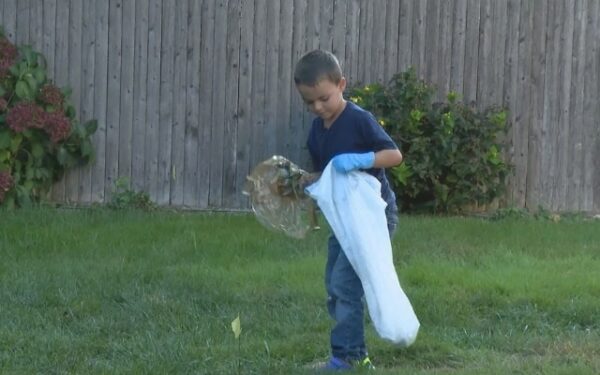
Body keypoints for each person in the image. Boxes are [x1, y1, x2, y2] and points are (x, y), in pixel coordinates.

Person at [294, 50, 403, 371]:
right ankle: (347, 353)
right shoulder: (317, 131)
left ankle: (350, 356)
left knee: (345, 284)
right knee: (334, 283)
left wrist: (363, 159)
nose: (317, 107)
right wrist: (303, 182)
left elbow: (393, 155)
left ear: (342, 84)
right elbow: (326, 175)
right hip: (343, 220)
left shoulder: (358, 119)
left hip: (372, 217)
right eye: (309, 102)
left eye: (324, 98)